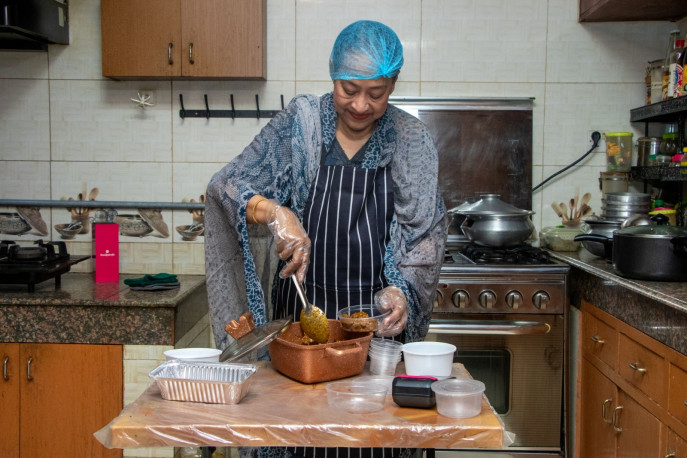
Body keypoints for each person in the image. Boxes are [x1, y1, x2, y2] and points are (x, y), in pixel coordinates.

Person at [204, 19, 448, 458]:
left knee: (367, 441)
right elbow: (225, 186)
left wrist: (404, 291)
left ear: (392, 85)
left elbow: (424, 235)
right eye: (348, 89)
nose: (360, 104)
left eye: (377, 93)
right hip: (296, 323)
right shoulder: (300, 124)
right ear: (333, 76)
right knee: (292, 436)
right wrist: (276, 213)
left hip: (371, 334)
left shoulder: (410, 139)